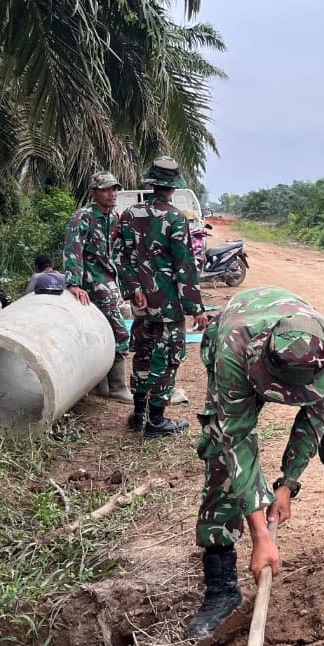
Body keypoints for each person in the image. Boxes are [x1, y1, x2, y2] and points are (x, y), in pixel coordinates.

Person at [188, 285, 324, 638]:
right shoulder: (234, 351)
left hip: (297, 350)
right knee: (221, 455)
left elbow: (316, 416)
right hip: (236, 342)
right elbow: (237, 441)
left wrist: (287, 484)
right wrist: (261, 535)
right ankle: (221, 584)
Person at [115, 156, 207, 436]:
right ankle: (155, 421)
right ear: (173, 186)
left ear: (152, 182)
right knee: (166, 359)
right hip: (168, 306)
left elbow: (120, 257)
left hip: (142, 304)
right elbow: (185, 266)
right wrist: (196, 308)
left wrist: (134, 290)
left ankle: (138, 414)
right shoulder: (175, 218)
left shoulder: (129, 214)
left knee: (143, 355)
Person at [63, 171, 133, 402]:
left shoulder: (113, 217)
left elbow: (118, 252)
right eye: (106, 190)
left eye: (114, 189)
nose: (112, 194)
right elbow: (73, 250)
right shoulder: (83, 217)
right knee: (119, 331)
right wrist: (74, 283)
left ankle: (102, 386)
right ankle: (117, 387)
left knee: (103, 330)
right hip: (92, 282)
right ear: (93, 193)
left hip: (109, 280)